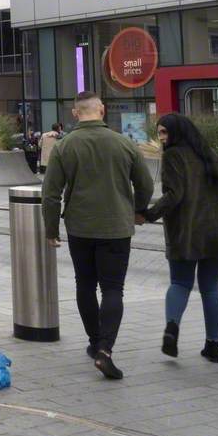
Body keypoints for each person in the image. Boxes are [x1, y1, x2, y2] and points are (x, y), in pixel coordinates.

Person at [42, 92, 153, 379]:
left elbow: (50, 194)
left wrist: (51, 230)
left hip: (79, 227)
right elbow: (146, 184)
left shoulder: (64, 146)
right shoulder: (124, 143)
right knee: (113, 289)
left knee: (85, 285)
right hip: (116, 228)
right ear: (102, 110)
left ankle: (94, 342)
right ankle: (106, 349)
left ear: (75, 114)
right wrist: (138, 210)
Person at [142, 113, 218, 362]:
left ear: (177, 133)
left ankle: (172, 328)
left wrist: (149, 215)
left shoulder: (173, 155)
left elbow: (175, 194)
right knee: (211, 288)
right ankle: (212, 346)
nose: (161, 138)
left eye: (164, 133)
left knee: (180, 283)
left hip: (186, 233)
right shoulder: (210, 156)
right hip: (216, 235)